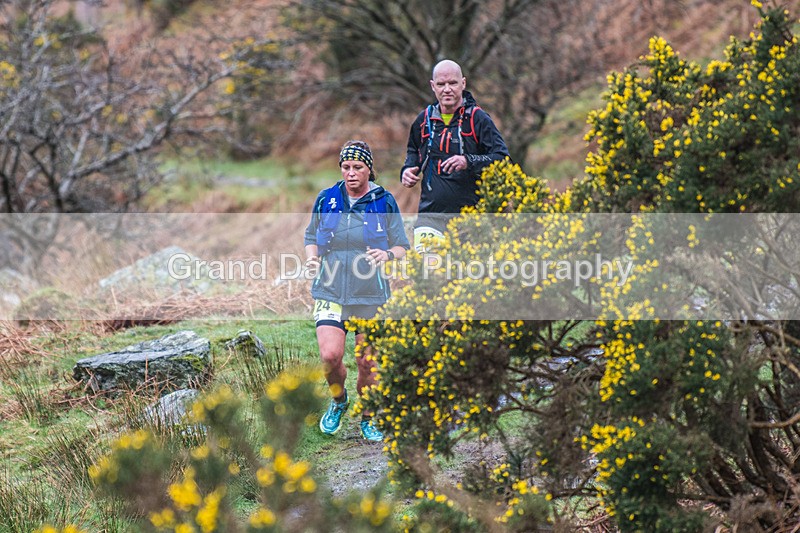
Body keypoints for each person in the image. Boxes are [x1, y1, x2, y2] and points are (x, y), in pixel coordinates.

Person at [304, 140, 410, 442]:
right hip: (330, 289)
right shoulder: (327, 198)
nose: (351, 173)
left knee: (368, 361)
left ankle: (368, 415)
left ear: (369, 170)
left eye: (357, 168)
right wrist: (312, 258)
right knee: (330, 356)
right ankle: (339, 401)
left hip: (370, 295)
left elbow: (402, 245)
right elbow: (311, 235)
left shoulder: (384, 201)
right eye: (346, 167)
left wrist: (387, 255)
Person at [400, 59, 510, 251]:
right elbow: (413, 151)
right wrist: (407, 170)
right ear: (433, 86)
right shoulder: (423, 120)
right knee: (429, 275)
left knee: (464, 277)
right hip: (430, 217)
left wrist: (468, 161)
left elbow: (502, 158)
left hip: (471, 218)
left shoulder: (478, 119)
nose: (447, 89)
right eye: (441, 84)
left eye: (452, 83)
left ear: (463, 83)